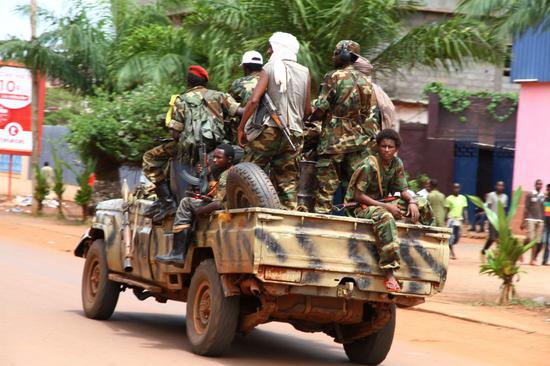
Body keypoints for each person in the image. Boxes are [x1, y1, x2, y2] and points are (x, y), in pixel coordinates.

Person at [142, 65, 242, 222]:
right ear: (205, 82)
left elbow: (175, 133)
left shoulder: (181, 100)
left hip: (187, 148)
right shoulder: (220, 96)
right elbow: (240, 111)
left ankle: (167, 202)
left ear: (188, 82)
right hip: (217, 145)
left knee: (150, 158)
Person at [345, 129, 433, 292]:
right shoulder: (370, 164)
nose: (386, 150)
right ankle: (389, 271)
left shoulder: (396, 163)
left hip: (384, 202)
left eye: (390, 147)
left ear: (396, 149)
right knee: (386, 217)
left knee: (422, 202)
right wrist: (387, 207)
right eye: (383, 146)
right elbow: (357, 195)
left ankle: (430, 240)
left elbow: (403, 188)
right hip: (362, 207)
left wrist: (412, 201)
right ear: (378, 147)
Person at [238, 32, 311, 209]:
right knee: (287, 182)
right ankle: (289, 218)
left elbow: (254, 100)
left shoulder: (269, 68)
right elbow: (307, 110)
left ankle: (232, 211)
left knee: (246, 172)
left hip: (268, 131)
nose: (268, 51)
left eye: (271, 47)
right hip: (293, 135)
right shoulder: (305, 72)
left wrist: (241, 129)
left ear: (279, 48)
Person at [308, 40, 378, 214]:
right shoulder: (366, 81)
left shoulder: (334, 76)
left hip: (333, 142)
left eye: (336, 53)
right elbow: (370, 113)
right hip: (358, 143)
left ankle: (319, 228)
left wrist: (309, 118)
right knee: (354, 191)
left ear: (345, 54)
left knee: (326, 190)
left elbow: (320, 108)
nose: (333, 57)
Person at [155, 144, 235, 265]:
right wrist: (206, 174)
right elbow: (216, 190)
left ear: (229, 159)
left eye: (219, 157)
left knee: (186, 203)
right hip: (222, 205)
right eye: (214, 157)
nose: (215, 160)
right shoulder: (231, 172)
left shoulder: (227, 174)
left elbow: (218, 203)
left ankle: (177, 253)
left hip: (221, 208)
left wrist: (199, 211)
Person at [227, 50, 263, 144]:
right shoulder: (269, 81)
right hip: (270, 128)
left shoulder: (238, 83)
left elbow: (229, 104)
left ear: (245, 67)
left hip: (247, 130)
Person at [480, 181, 509, 258]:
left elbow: (504, 209)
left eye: (502, 186)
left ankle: (498, 256)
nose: (500, 187)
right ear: (495, 186)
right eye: (499, 185)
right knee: (492, 238)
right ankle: (483, 250)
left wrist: (505, 221)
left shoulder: (505, 197)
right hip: (492, 220)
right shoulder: (491, 195)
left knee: (500, 239)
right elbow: (488, 207)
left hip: (500, 221)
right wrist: (487, 218)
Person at [522, 179, 545, 265]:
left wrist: (544, 219)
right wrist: (523, 221)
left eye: (541, 184)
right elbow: (526, 208)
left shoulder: (543, 196)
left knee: (536, 241)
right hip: (530, 219)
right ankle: (520, 251)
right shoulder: (530, 194)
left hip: (540, 220)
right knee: (530, 239)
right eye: (538, 184)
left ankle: (532, 260)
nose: (539, 186)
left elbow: (545, 208)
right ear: (535, 185)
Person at [444, 183, 469, 259]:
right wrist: (445, 220)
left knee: (457, 237)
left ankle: (449, 247)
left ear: (459, 188)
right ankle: (452, 252)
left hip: (459, 220)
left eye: (457, 188)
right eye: (455, 188)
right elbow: (446, 210)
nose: (456, 189)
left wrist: (466, 219)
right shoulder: (449, 198)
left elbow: (465, 209)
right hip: (451, 219)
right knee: (451, 236)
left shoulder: (463, 198)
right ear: (452, 188)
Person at [542, 183, 550, 265]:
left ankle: (545, 260)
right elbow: (546, 212)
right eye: (548, 189)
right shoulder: (545, 199)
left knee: (548, 243)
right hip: (545, 224)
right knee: (542, 242)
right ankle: (535, 257)